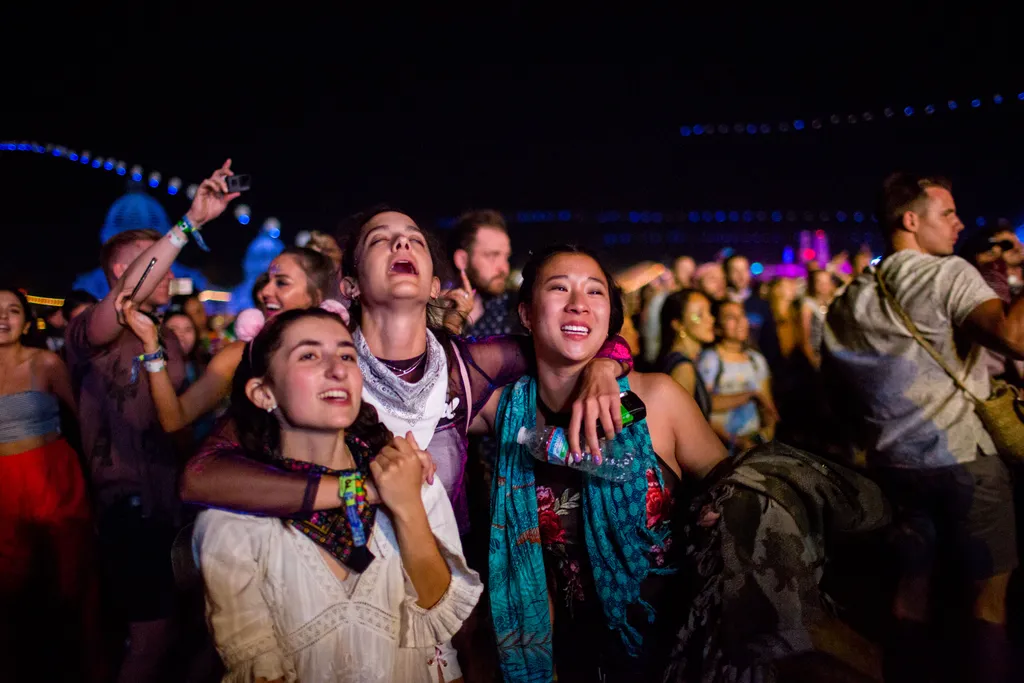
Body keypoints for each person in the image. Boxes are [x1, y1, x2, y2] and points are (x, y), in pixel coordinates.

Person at [470, 244, 726, 682]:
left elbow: (737, 488)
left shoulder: (658, 398)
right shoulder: (506, 412)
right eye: (558, 288)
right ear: (527, 314)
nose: (578, 304)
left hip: (676, 653)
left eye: (595, 293)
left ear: (610, 318)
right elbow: (427, 381)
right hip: (570, 659)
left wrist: (714, 513)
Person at [194, 308, 483, 682]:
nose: (337, 369)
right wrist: (368, 491)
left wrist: (407, 505)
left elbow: (438, 627)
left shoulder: (408, 478)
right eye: (309, 355)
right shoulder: (232, 523)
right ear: (264, 392)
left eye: (347, 355)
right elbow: (259, 668)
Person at [823, 173, 1019, 683]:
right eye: (947, 213)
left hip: (895, 467)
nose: (959, 224)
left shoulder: (848, 299)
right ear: (910, 220)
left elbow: (837, 392)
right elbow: (1014, 336)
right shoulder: (944, 274)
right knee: (989, 604)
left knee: (910, 594)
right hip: (963, 458)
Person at [64, 160, 240, 682]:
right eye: (155, 262)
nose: (171, 271)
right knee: (151, 633)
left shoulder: (162, 338)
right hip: (128, 506)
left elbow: (178, 417)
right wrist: (190, 221)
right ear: (124, 270)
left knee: (193, 627)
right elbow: (124, 300)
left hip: (175, 497)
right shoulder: (89, 330)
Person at [118, 246, 336, 435]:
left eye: (282, 283)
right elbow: (174, 418)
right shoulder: (241, 354)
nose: (265, 291)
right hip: (258, 479)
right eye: (268, 281)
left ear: (315, 298)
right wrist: (151, 345)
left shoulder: (341, 355)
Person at [0, 287, 103, 682]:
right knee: (10, 588)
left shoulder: (45, 362)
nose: (4, 318)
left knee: (70, 579)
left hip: (51, 476)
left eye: (13, 311)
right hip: (5, 488)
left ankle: (87, 666)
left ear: (27, 322)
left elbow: (86, 420)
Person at [698, 300, 776, 454]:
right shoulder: (710, 360)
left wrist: (766, 435)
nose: (740, 321)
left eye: (742, 315)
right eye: (730, 317)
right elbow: (703, 406)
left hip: (753, 446)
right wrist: (735, 440)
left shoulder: (756, 360)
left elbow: (767, 405)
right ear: (718, 327)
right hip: (722, 447)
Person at [445, 209, 520, 337]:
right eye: (492, 256)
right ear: (462, 260)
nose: (504, 269)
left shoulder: (514, 311)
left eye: (506, 257)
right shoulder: (431, 313)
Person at [657, 288, 715, 418]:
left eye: (709, 312)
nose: (710, 319)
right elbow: (681, 422)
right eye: (699, 315)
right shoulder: (683, 367)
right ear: (678, 324)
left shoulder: (684, 360)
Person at [800, 268, 836, 368]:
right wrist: (813, 359)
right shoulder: (808, 305)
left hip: (836, 354)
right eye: (819, 282)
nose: (823, 286)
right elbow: (805, 336)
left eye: (826, 282)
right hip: (818, 355)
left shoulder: (836, 302)